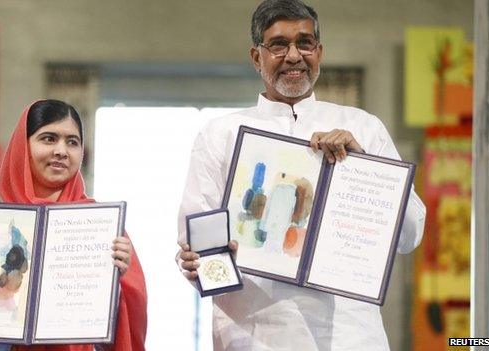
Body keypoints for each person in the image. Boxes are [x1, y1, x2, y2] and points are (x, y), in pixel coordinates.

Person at [177, 1, 426, 350]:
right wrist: (197, 264)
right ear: (256, 56)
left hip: (350, 337)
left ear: (319, 52)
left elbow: (410, 235)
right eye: (278, 45)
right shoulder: (221, 135)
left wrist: (365, 170)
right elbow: (199, 247)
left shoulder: (363, 128)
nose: (294, 55)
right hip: (252, 335)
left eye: (305, 43)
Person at [0, 99, 147, 351]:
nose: (61, 150)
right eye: (48, 138)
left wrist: (116, 283)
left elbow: (130, 323)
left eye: (72, 142)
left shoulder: (104, 228)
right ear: (23, 147)